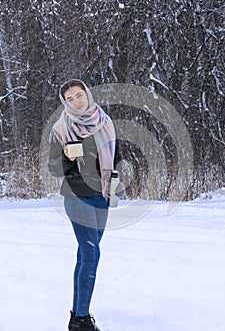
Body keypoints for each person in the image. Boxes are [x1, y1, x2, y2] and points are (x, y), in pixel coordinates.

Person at [48, 79, 123, 331]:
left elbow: (116, 156)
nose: (76, 101)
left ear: (87, 95)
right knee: (91, 254)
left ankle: (77, 316)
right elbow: (54, 169)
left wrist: (115, 181)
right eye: (70, 99)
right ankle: (80, 320)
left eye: (79, 95)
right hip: (76, 196)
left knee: (85, 255)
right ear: (65, 103)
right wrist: (69, 155)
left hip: (101, 195)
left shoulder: (105, 121)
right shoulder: (61, 128)